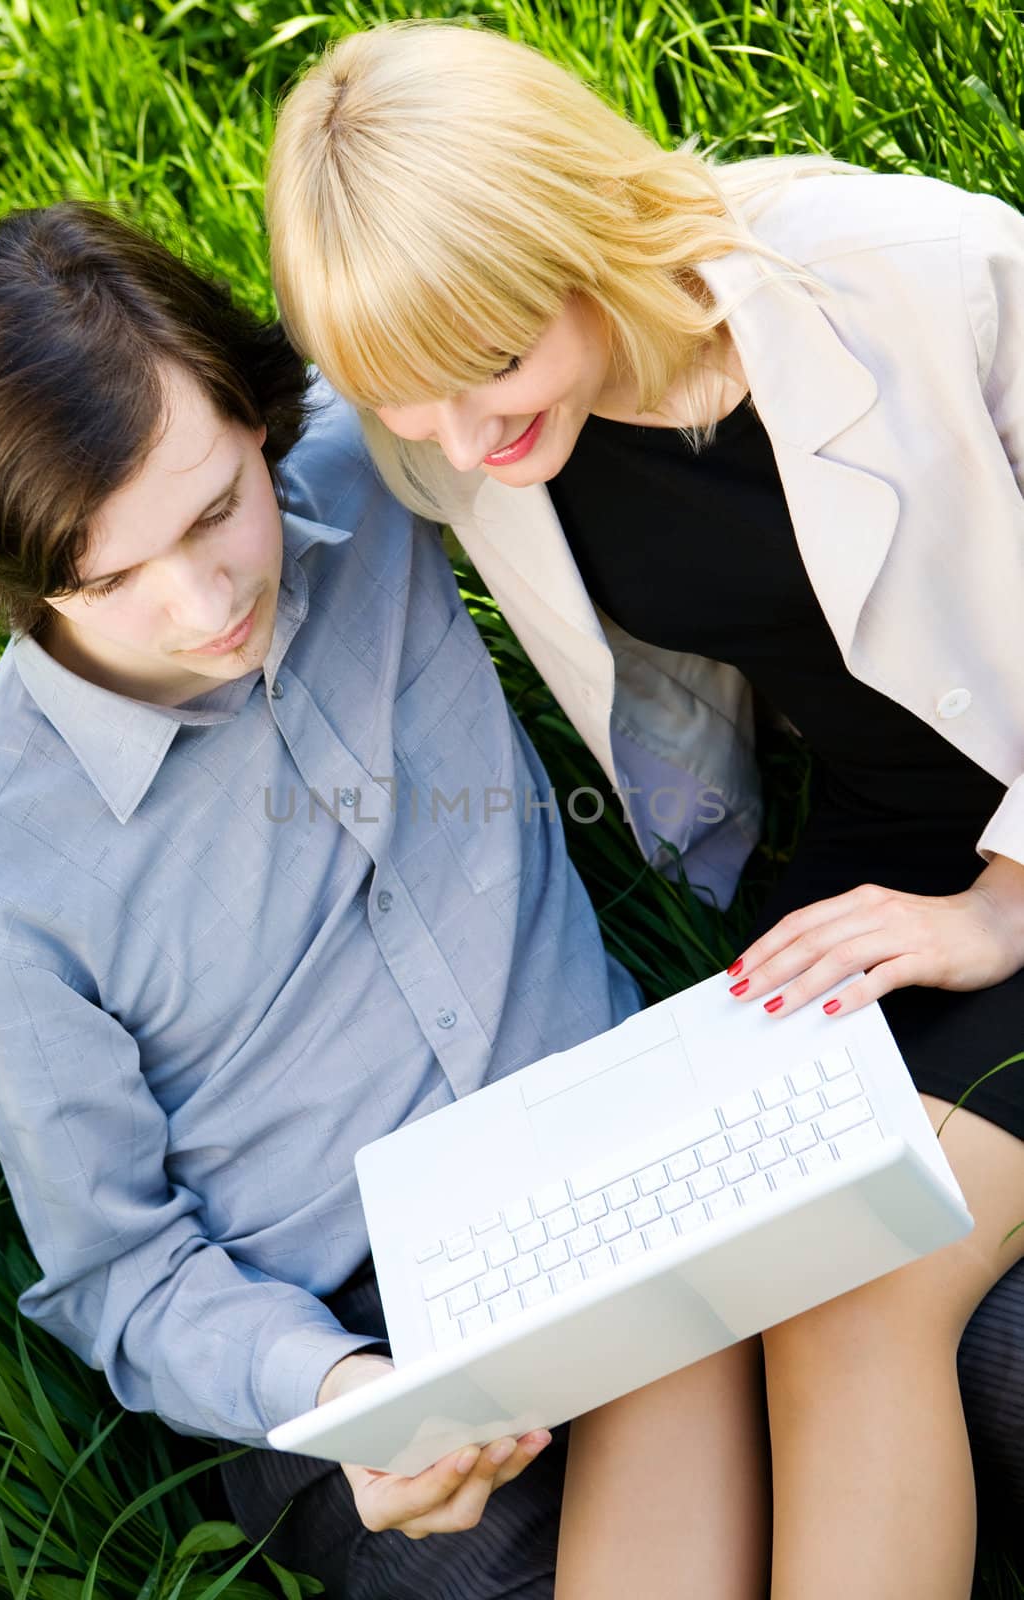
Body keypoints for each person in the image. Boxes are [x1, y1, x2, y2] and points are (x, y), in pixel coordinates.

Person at [265, 20, 1024, 1597]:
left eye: (489, 372)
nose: (465, 445)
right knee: (712, 1268)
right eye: (406, 397)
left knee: (861, 1285)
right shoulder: (461, 422)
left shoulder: (927, 276)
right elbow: (251, 478)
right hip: (868, 866)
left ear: (578, 234)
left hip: (1004, 871)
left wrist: (997, 905)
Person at [0, 200, 648, 1598]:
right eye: (110, 579)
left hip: (631, 1141)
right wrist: (346, 1391)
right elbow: (120, 1272)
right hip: (356, 1332)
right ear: (22, 584)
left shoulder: (375, 461)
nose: (204, 599)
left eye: (217, 507)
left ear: (261, 417)